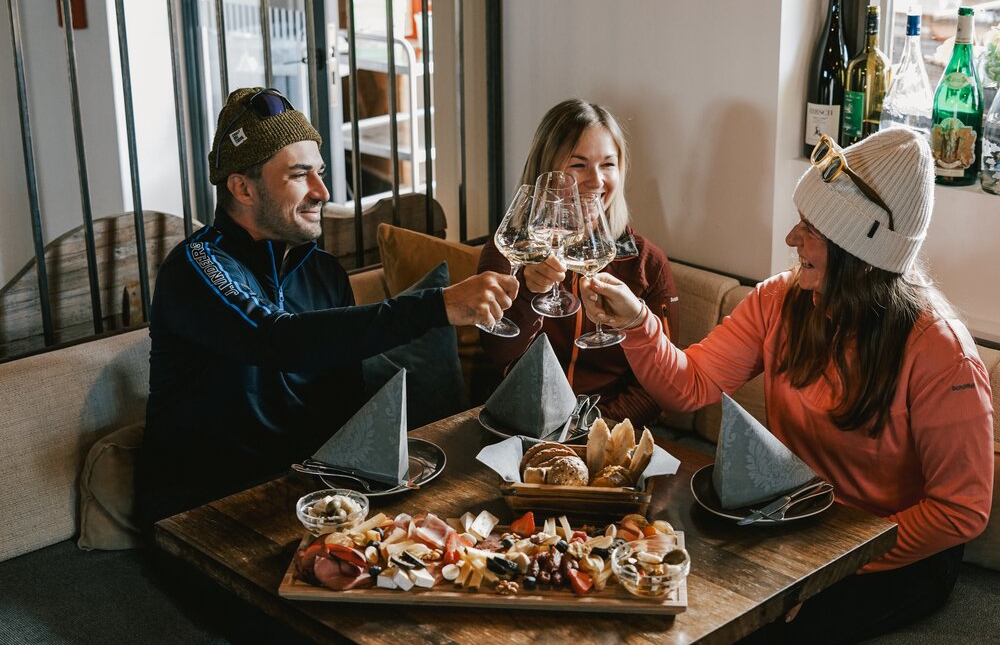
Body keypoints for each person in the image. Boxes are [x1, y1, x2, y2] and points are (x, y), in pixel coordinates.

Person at [581, 127, 994, 642]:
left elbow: (960, 512)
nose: (791, 239)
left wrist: (832, 564)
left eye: (811, 229)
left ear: (860, 255)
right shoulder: (782, 298)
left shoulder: (942, 353)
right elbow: (691, 386)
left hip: (895, 553)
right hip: (789, 519)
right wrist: (638, 324)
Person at [136, 87, 516, 532]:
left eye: (320, 172)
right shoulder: (197, 267)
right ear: (241, 187)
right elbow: (276, 338)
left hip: (309, 497)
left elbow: (340, 401)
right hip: (201, 510)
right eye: (300, 175)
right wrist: (438, 305)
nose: (323, 191)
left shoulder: (323, 271)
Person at [478, 99, 678, 427]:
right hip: (517, 424)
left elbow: (660, 382)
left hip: (604, 429)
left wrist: (590, 430)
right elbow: (498, 352)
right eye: (579, 165)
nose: (596, 181)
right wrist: (528, 292)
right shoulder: (510, 249)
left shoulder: (646, 262)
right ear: (547, 171)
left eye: (608, 164)